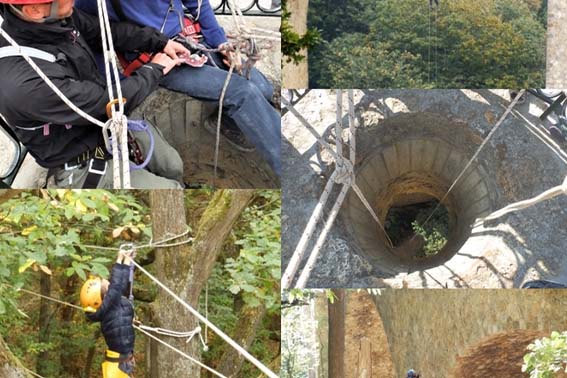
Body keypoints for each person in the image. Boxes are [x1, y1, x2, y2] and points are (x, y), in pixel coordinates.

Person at [75, 0, 281, 178]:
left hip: (188, 40)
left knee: (263, 88)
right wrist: (118, 86)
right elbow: (94, 35)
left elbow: (197, 4)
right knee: (243, 93)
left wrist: (221, 43)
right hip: (156, 59)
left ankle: (228, 123)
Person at [0, 0, 193, 188]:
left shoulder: (57, 19)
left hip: (106, 127)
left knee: (172, 165)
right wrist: (154, 69)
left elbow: (105, 32)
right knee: (169, 189)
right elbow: (106, 103)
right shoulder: (27, 82)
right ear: (34, 10)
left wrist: (159, 42)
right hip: (80, 158)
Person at [80, 249, 136, 377]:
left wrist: (127, 262)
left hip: (122, 360)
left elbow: (119, 285)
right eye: (104, 283)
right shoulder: (109, 306)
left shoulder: (110, 305)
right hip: (120, 364)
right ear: (104, 296)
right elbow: (116, 286)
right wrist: (120, 260)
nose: (106, 280)